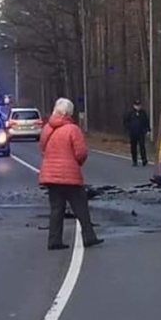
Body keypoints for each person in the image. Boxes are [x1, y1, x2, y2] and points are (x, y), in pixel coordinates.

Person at [39, 98, 103, 250]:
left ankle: (54, 241)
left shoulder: (47, 128)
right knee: (81, 207)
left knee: (56, 209)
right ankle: (89, 237)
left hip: (50, 176)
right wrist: (76, 163)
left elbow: (42, 149)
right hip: (69, 175)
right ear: (69, 112)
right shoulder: (73, 129)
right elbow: (81, 152)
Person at [123, 99, 150, 167]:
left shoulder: (143, 113)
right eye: (136, 105)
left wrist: (147, 130)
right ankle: (134, 161)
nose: (138, 107)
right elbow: (126, 122)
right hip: (133, 132)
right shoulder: (130, 113)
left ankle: (144, 160)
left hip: (141, 132)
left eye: (139, 105)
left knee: (142, 146)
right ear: (134, 106)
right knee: (133, 147)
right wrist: (128, 128)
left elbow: (146, 122)